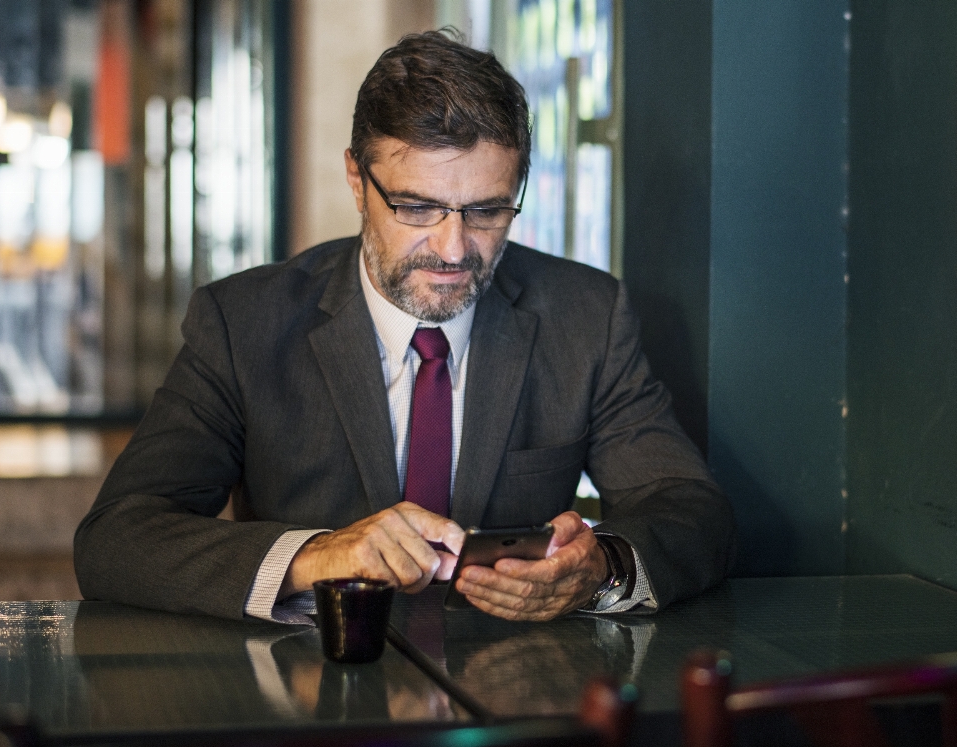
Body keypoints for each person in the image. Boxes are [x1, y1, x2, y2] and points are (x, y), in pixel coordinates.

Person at [74, 30, 734, 625]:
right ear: (358, 182)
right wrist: (317, 554)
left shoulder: (586, 315)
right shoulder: (244, 324)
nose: (452, 248)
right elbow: (116, 538)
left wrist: (604, 565)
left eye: (487, 211)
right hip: (309, 693)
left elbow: (691, 511)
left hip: (513, 693)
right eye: (418, 207)